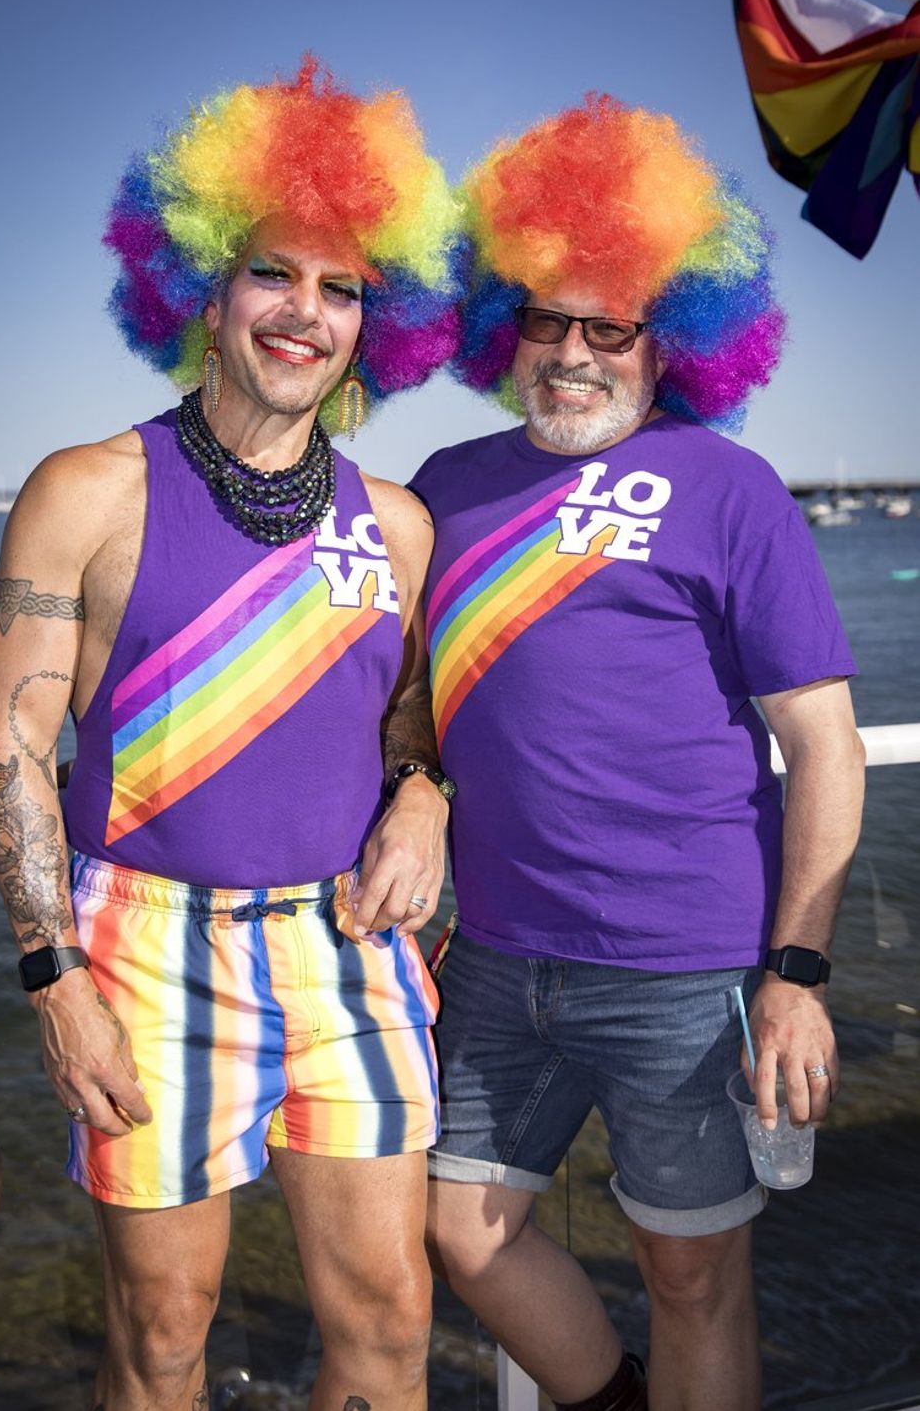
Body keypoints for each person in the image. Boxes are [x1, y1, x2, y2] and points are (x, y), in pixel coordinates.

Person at [0, 59, 461, 1411]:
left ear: (380, 319)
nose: (307, 312)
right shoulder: (86, 491)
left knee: (389, 1315)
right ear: (202, 283)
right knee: (166, 1331)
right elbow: (14, 743)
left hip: (345, 946)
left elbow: (410, 709)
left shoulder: (402, 524)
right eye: (273, 273)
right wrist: (53, 978)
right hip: (140, 946)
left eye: (344, 286)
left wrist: (422, 791)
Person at [410, 96, 866, 1411]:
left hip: (690, 964)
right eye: (544, 318)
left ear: (671, 341)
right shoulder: (447, 482)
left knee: (693, 1276)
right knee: (460, 1228)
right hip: (496, 957)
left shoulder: (734, 490)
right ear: (507, 326)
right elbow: (404, 698)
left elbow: (825, 747)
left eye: (605, 322)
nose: (568, 351)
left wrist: (795, 969)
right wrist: (414, 789)